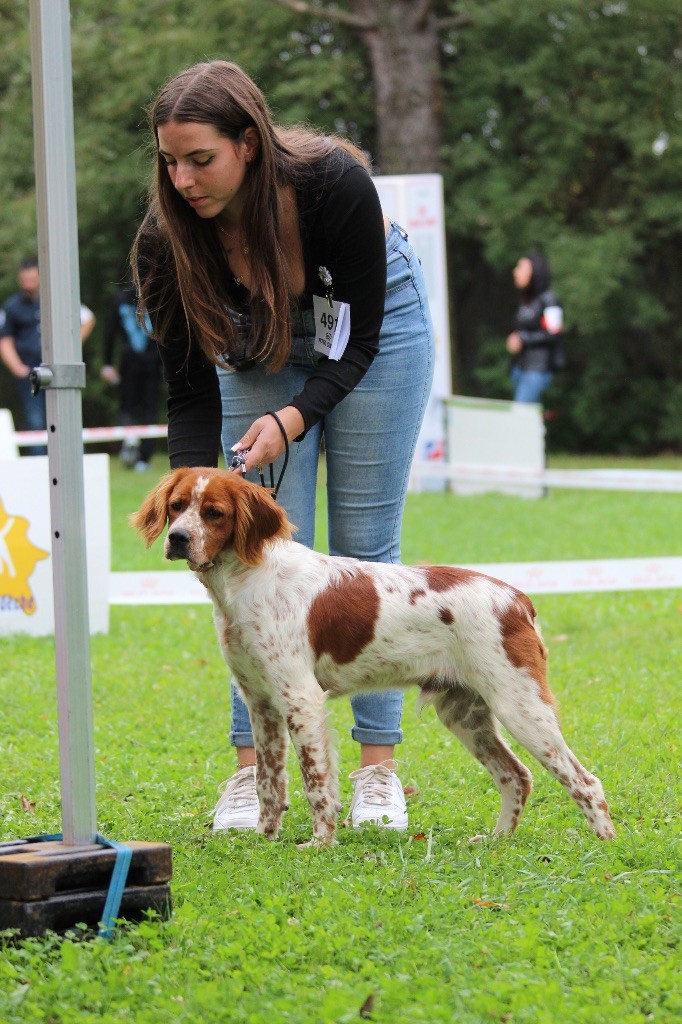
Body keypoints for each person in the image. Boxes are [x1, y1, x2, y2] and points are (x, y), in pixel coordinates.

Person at [133, 60, 435, 833]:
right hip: (256, 344)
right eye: (170, 161)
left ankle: (377, 773)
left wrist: (293, 419)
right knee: (249, 559)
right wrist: (197, 484)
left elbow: (355, 342)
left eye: (201, 159)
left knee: (367, 547)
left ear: (250, 144)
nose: (183, 180)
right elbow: (189, 391)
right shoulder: (167, 238)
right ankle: (252, 775)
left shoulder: (334, 184)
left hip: (375, 334)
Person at [0, 256, 96, 455]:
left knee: (66, 415)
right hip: (30, 372)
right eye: (24, 280)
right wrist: (17, 367)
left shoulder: (59, 299)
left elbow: (87, 319)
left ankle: (75, 457)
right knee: (35, 420)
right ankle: (40, 462)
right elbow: (5, 339)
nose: (28, 284)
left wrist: (70, 351)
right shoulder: (12, 306)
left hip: (58, 369)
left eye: (32, 279)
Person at [101, 281, 162, 472]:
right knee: (141, 409)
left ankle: (136, 447)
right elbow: (109, 332)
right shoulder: (130, 299)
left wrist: (107, 363)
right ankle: (138, 452)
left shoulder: (153, 298)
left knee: (135, 409)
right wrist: (107, 363)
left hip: (143, 365)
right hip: (140, 365)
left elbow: (109, 333)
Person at [506, 251, 564, 404]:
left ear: (534, 272)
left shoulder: (549, 299)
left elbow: (554, 333)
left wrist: (522, 338)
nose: (515, 272)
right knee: (525, 414)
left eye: (521, 267)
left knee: (521, 413)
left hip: (537, 369)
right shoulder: (526, 301)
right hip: (520, 367)